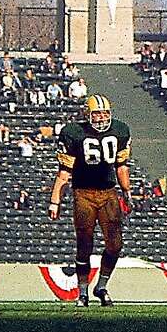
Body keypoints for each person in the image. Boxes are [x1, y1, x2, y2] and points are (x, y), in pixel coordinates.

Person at [49, 95, 132, 307]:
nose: (102, 118)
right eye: (97, 114)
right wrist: (55, 199)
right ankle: (83, 291)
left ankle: (101, 286)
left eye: (105, 114)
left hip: (108, 192)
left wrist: (127, 192)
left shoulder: (120, 130)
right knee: (84, 244)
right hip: (83, 193)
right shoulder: (75, 133)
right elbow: (64, 171)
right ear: (88, 114)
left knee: (115, 245)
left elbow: (121, 165)